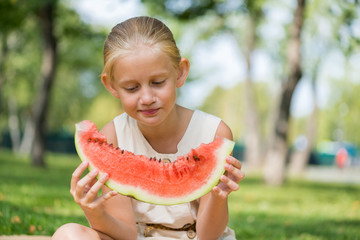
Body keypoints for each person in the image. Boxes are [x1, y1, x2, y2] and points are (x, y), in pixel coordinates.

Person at [52, 16, 245, 240]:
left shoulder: (214, 134)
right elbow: (126, 234)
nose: (146, 98)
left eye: (157, 83)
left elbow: (208, 236)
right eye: (132, 88)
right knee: (69, 234)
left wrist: (219, 196)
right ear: (111, 85)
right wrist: (94, 212)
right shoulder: (112, 136)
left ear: (180, 72)